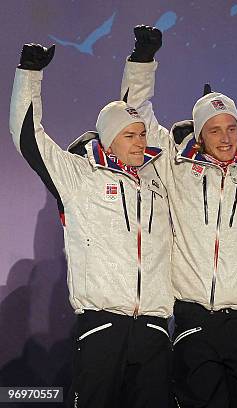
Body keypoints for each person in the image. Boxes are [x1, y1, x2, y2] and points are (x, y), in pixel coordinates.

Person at [9, 39, 174, 408]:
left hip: (153, 327)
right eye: (129, 135)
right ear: (108, 140)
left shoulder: (159, 180)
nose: (139, 141)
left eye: (142, 134)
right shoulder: (81, 176)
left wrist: (142, 61)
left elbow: (138, 103)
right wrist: (30, 74)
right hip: (103, 325)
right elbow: (27, 138)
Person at [119, 26, 237, 408]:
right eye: (214, 130)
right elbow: (135, 113)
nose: (224, 138)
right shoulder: (176, 168)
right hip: (193, 319)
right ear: (199, 136)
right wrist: (143, 60)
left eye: (231, 128)